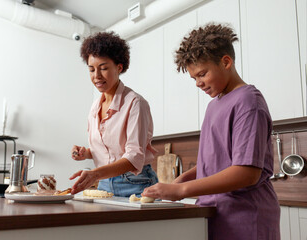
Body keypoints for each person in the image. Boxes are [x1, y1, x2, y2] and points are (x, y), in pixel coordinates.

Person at [142, 23, 280, 240]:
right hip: (216, 212)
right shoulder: (214, 104)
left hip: (245, 217)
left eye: (202, 74)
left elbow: (247, 172)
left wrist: (182, 191)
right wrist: (180, 181)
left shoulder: (248, 101)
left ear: (226, 62)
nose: (198, 83)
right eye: (193, 78)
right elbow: (215, 161)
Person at [69, 31, 158, 197]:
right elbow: (109, 151)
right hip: (104, 183)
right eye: (91, 69)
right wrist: (87, 153)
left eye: (103, 68)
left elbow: (134, 157)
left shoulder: (135, 103)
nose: (96, 76)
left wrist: (95, 174)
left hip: (136, 183)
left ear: (119, 67)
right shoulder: (95, 107)